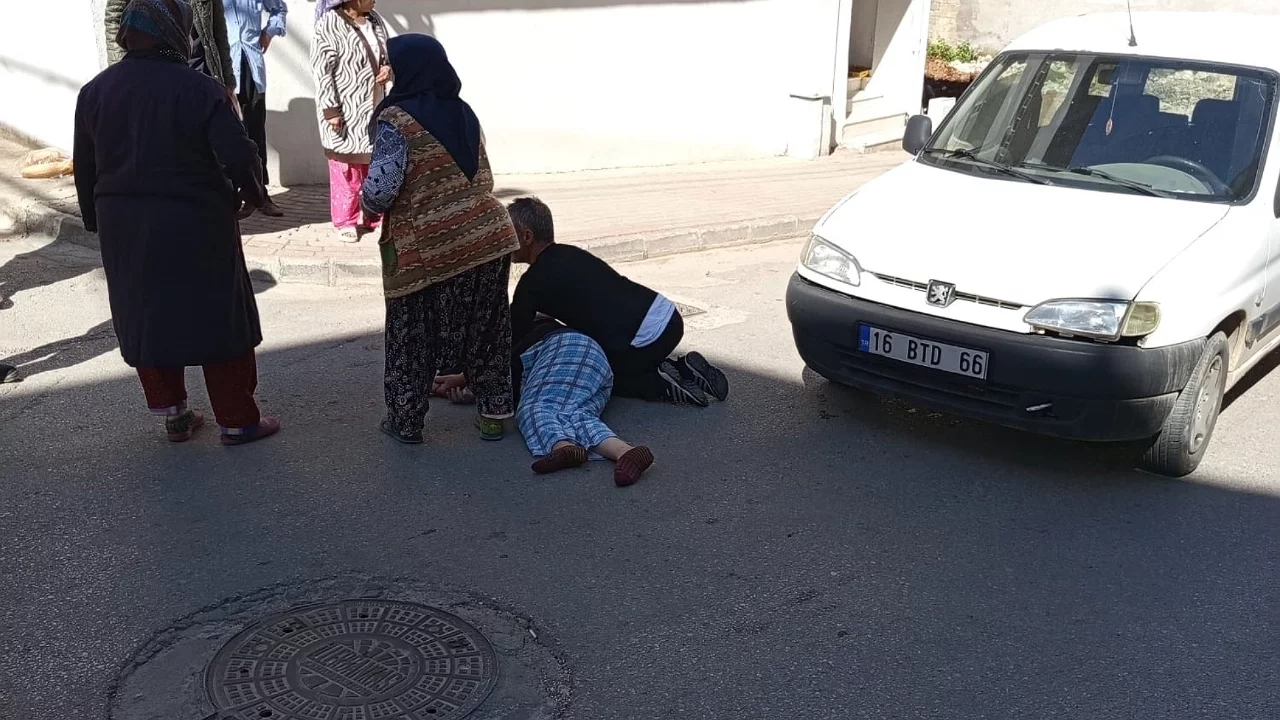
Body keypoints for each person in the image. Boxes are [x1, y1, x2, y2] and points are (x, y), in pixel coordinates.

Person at [74, 0, 280, 445]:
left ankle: (175, 415)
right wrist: (253, 193)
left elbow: (85, 169)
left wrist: (97, 222)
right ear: (174, 31)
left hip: (124, 225)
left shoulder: (94, 91)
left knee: (148, 314)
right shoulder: (199, 89)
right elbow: (238, 152)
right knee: (219, 317)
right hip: (197, 220)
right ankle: (237, 420)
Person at [360, 34, 519, 444]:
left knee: (411, 334)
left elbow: (381, 189)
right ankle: (492, 417)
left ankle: (405, 421)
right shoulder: (465, 112)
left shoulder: (396, 120)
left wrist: (367, 206)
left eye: (390, 65)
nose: (386, 72)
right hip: (490, 235)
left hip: (428, 244)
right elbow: (485, 174)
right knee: (488, 328)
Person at [507, 197, 730, 407]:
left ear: (527, 237)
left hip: (646, 339)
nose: (503, 241)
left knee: (603, 376)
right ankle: (682, 368)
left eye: (508, 233)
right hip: (668, 316)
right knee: (619, 348)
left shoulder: (532, 283)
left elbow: (513, 333)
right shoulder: (571, 253)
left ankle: (661, 386)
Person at [435, 320, 656, 486]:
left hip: (566, 348)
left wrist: (471, 384)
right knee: (576, 413)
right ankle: (625, 452)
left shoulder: (513, 328)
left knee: (534, 407)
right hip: (591, 359)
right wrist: (470, 385)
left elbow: (498, 366)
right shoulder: (515, 334)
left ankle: (563, 446)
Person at [311, 0, 390, 243]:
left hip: (373, 106)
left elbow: (385, 55)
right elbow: (321, 69)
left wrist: (387, 68)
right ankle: (345, 221)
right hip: (344, 110)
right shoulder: (328, 24)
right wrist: (331, 110)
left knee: (372, 165)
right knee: (346, 167)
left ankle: (372, 216)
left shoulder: (375, 20)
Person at [223, 0, 289, 217]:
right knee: (224, 133)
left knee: (255, 133)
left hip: (251, 67)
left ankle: (259, 194)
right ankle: (230, 193)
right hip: (223, 68)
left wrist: (268, 33)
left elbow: (279, 8)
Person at [105, 0, 237, 92]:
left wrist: (227, 78)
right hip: (152, 77)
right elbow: (114, 17)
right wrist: (122, 74)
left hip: (202, 71)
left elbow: (218, 25)